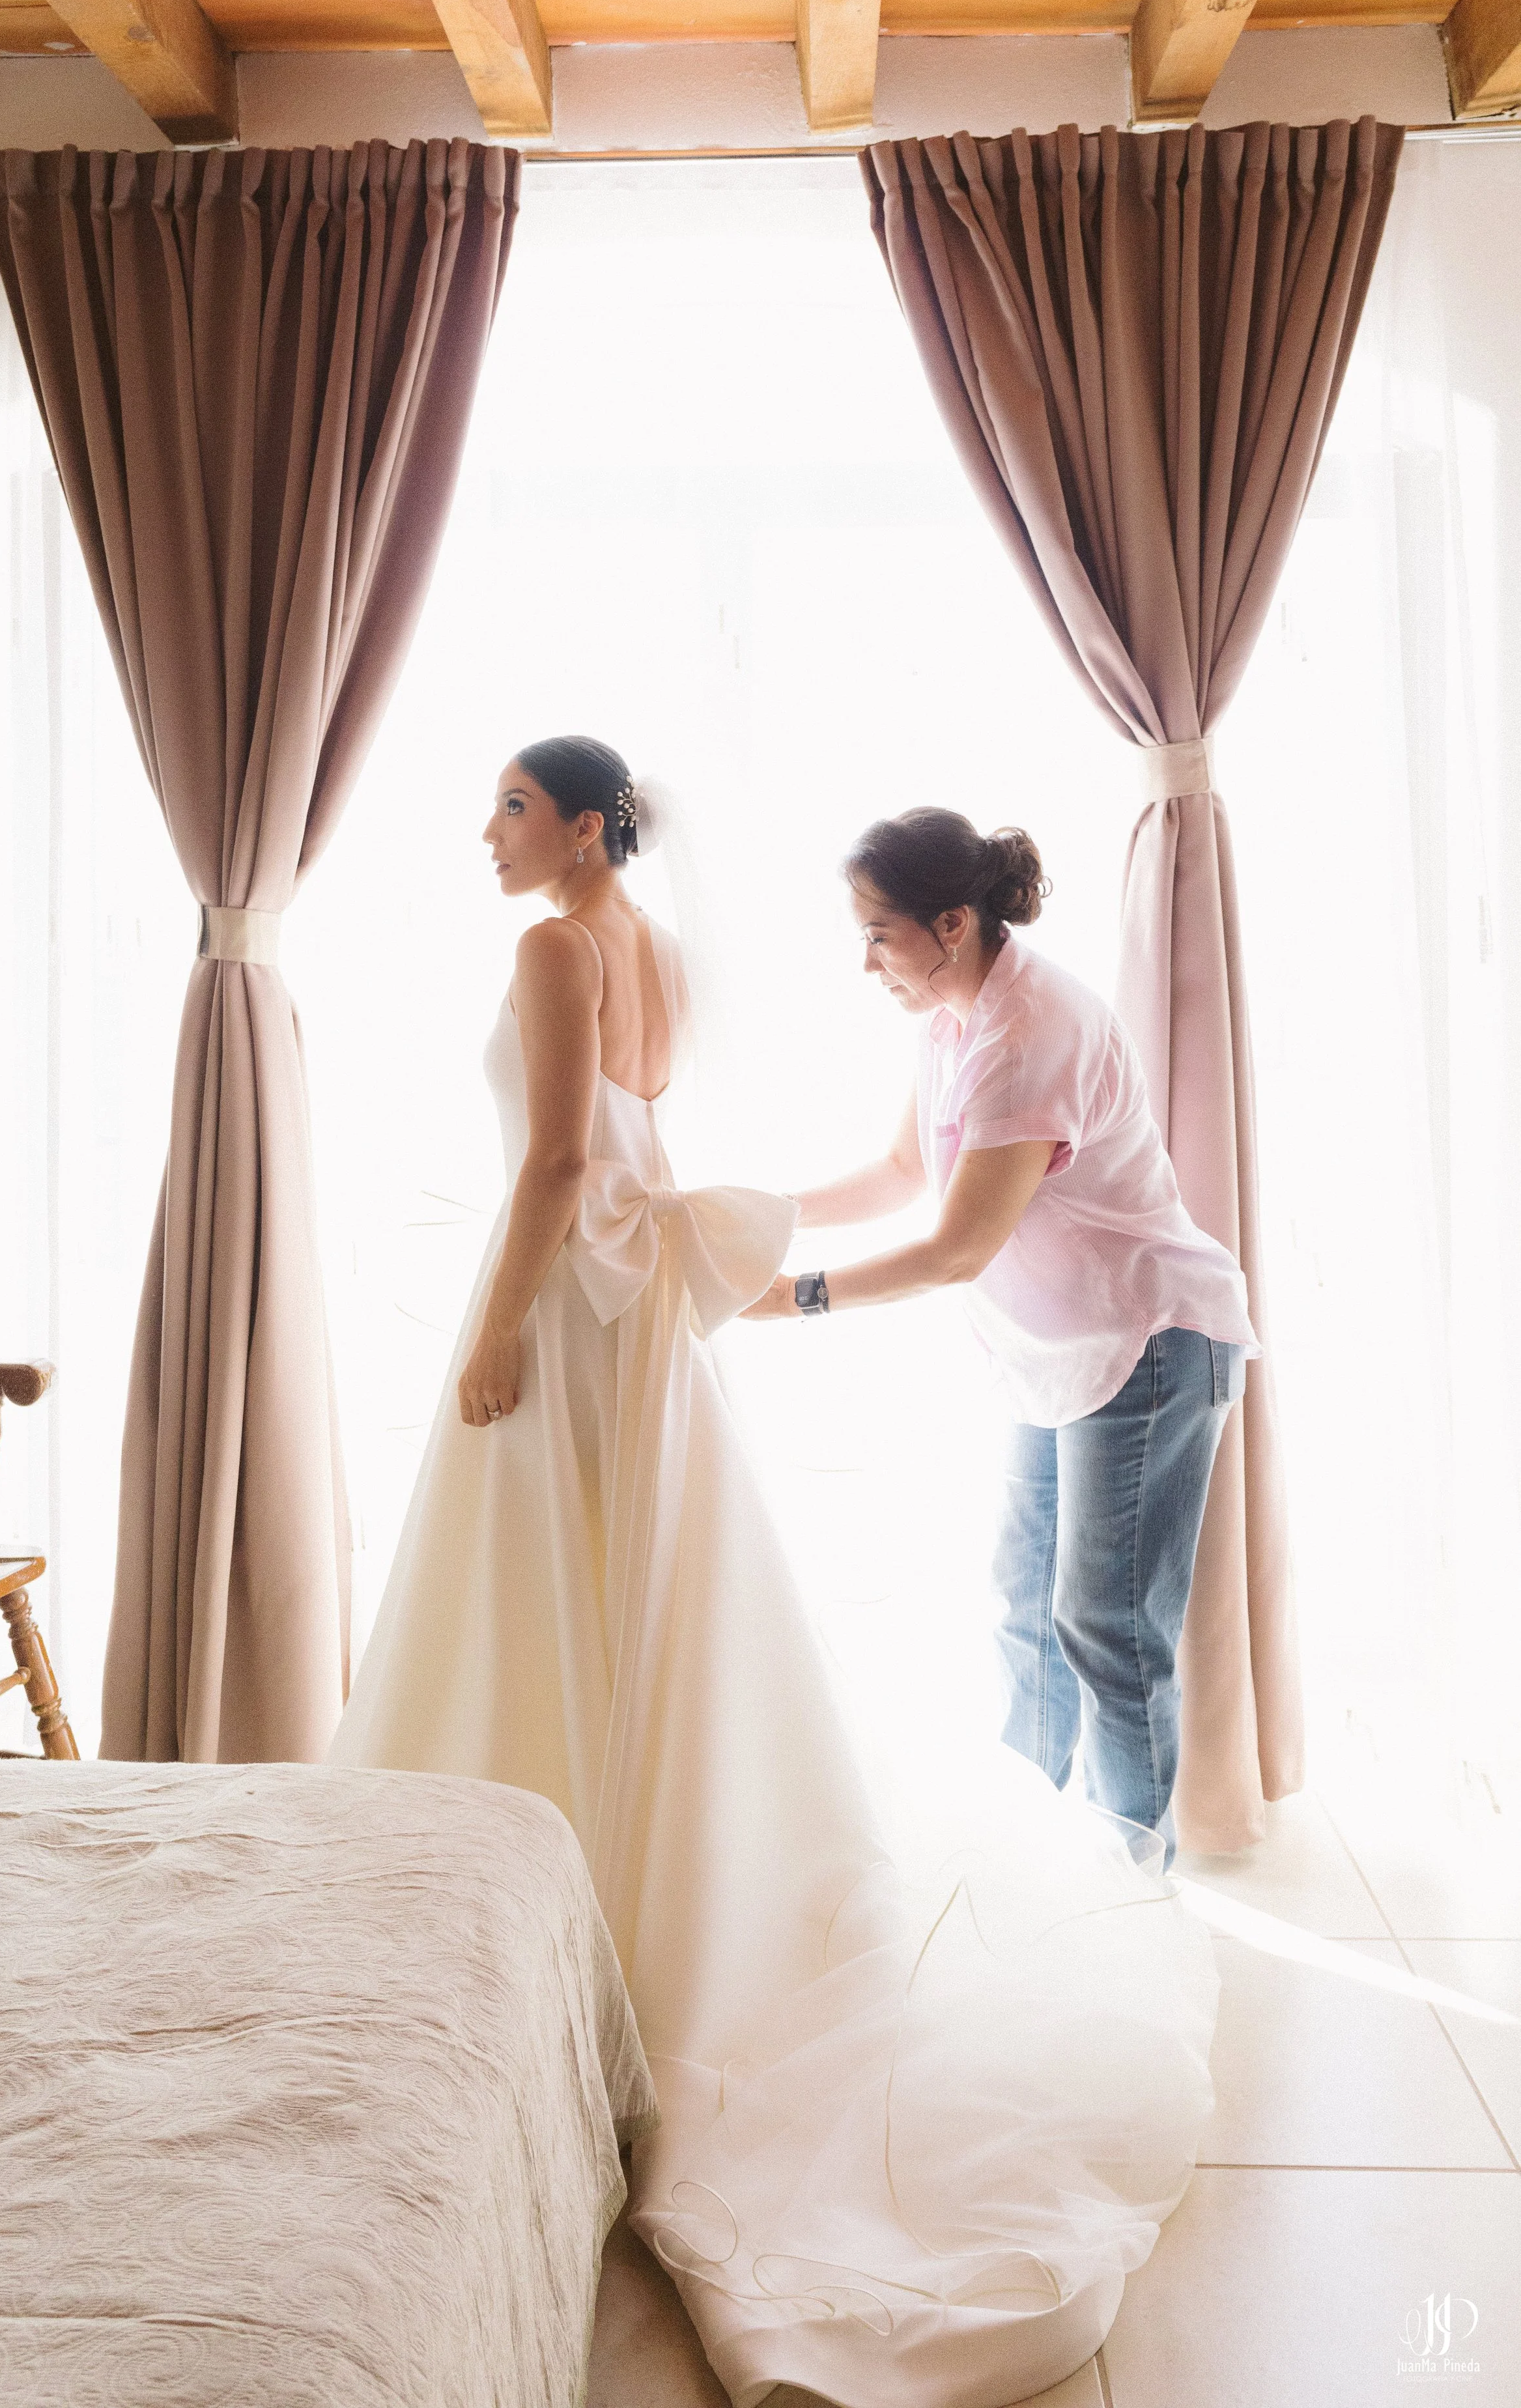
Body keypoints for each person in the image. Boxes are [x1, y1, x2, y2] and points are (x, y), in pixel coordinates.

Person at [331, 742, 1219, 2408]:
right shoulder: (664, 948)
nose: (487, 831)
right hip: (655, 1314)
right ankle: (687, 1902)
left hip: (659, 1321)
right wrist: (720, 1245)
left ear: (585, 826)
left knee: (1090, 1628)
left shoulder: (555, 944)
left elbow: (549, 1169)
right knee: (684, 1608)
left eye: (510, 805)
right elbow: (847, 1173)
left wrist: (512, 1322)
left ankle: (1116, 1884)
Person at [746, 806, 1258, 1869]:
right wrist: (750, 1218)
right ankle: (1025, 1865)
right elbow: (902, 1172)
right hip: (1053, 1356)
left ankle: (1133, 1892)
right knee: (1025, 1611)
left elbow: (952, 1249)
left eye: (878, 935)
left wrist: (789, 1296)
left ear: (950, 922)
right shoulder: (950, 1014)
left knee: (1107, 1633)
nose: (866, 961)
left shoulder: (1030, 1033)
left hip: (1148, 1344)